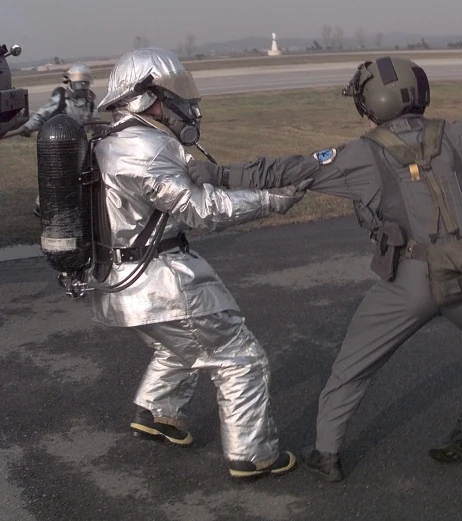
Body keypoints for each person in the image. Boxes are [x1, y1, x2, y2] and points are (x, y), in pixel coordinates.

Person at [188, 56, 462, 482]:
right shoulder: (461, 134)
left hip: (408, 283)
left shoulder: (359, 155)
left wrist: (214, 175)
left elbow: (284, 171)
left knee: (352, 367)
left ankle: (326, 454)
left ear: (371, 104)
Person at [92, 48, 320, 480]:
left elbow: (178, 189)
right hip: (159, 279)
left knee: (179, 345)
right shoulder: (148, 145)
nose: (186, 104)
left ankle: (156, 412)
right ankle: (252, 454)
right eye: (175, 95)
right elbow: (203, 210)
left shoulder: (113, 140)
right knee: (239, 358)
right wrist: (272, 200)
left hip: (120, 283)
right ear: (148, 97)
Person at [18, 63, 105, 216]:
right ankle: (41, 205)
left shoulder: (89, 103)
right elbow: (42, 114)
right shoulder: (61, 99)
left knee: (81, 175)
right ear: (71, 82)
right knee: (56, 176)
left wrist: (104, 130)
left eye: (85, 83)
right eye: (80, 83)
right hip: (60, 145)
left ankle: (78, 205)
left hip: (80, 144)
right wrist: (28, 127)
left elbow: (95, 121)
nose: (83, 87)